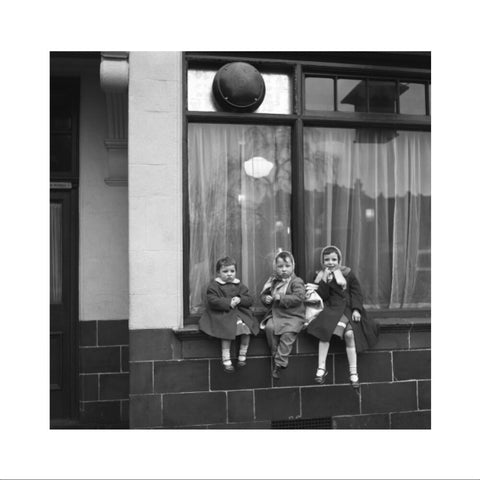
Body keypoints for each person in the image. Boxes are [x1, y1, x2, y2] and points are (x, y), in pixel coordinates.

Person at [306, 245, 378, 388]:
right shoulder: (320, 275)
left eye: (334, 259)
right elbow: (322, 295)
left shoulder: (348, 274)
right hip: (331, 309)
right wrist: (324, 281)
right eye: (327, 260)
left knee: (350, 335)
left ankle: (353, 372)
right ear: (323, 261)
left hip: (348, 309)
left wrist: (357, 309)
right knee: (324, 334)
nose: (330, 262)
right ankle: (321, 368)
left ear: (339, 260)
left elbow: (356, 292)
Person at [199, 256, 259, 373]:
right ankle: (226, 357)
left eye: (232, 271)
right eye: (225, 271)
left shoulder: (239, 285)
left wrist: (240, 299)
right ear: (218, 273)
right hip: (223, 314)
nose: (229, 274)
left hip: (239, 314)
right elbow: (212, 300)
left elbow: (250, 299)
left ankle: (243, 353)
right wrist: (228, 302)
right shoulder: (214, 286)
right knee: (226, 331)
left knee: (247, 329)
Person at [260, 250, 306, 379]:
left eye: (287, 266)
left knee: (287, 334)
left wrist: (280, 297)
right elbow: (265, 294)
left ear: (293, 267)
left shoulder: (296, 281)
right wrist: (266, 299)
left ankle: (280, 363)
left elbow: (299, 297)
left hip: (293, 315)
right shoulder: (273, 281)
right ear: (275, 268)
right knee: (269, 328)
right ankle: (275, 355)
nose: (284, 270)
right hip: (276, 314)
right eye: (280, 267)